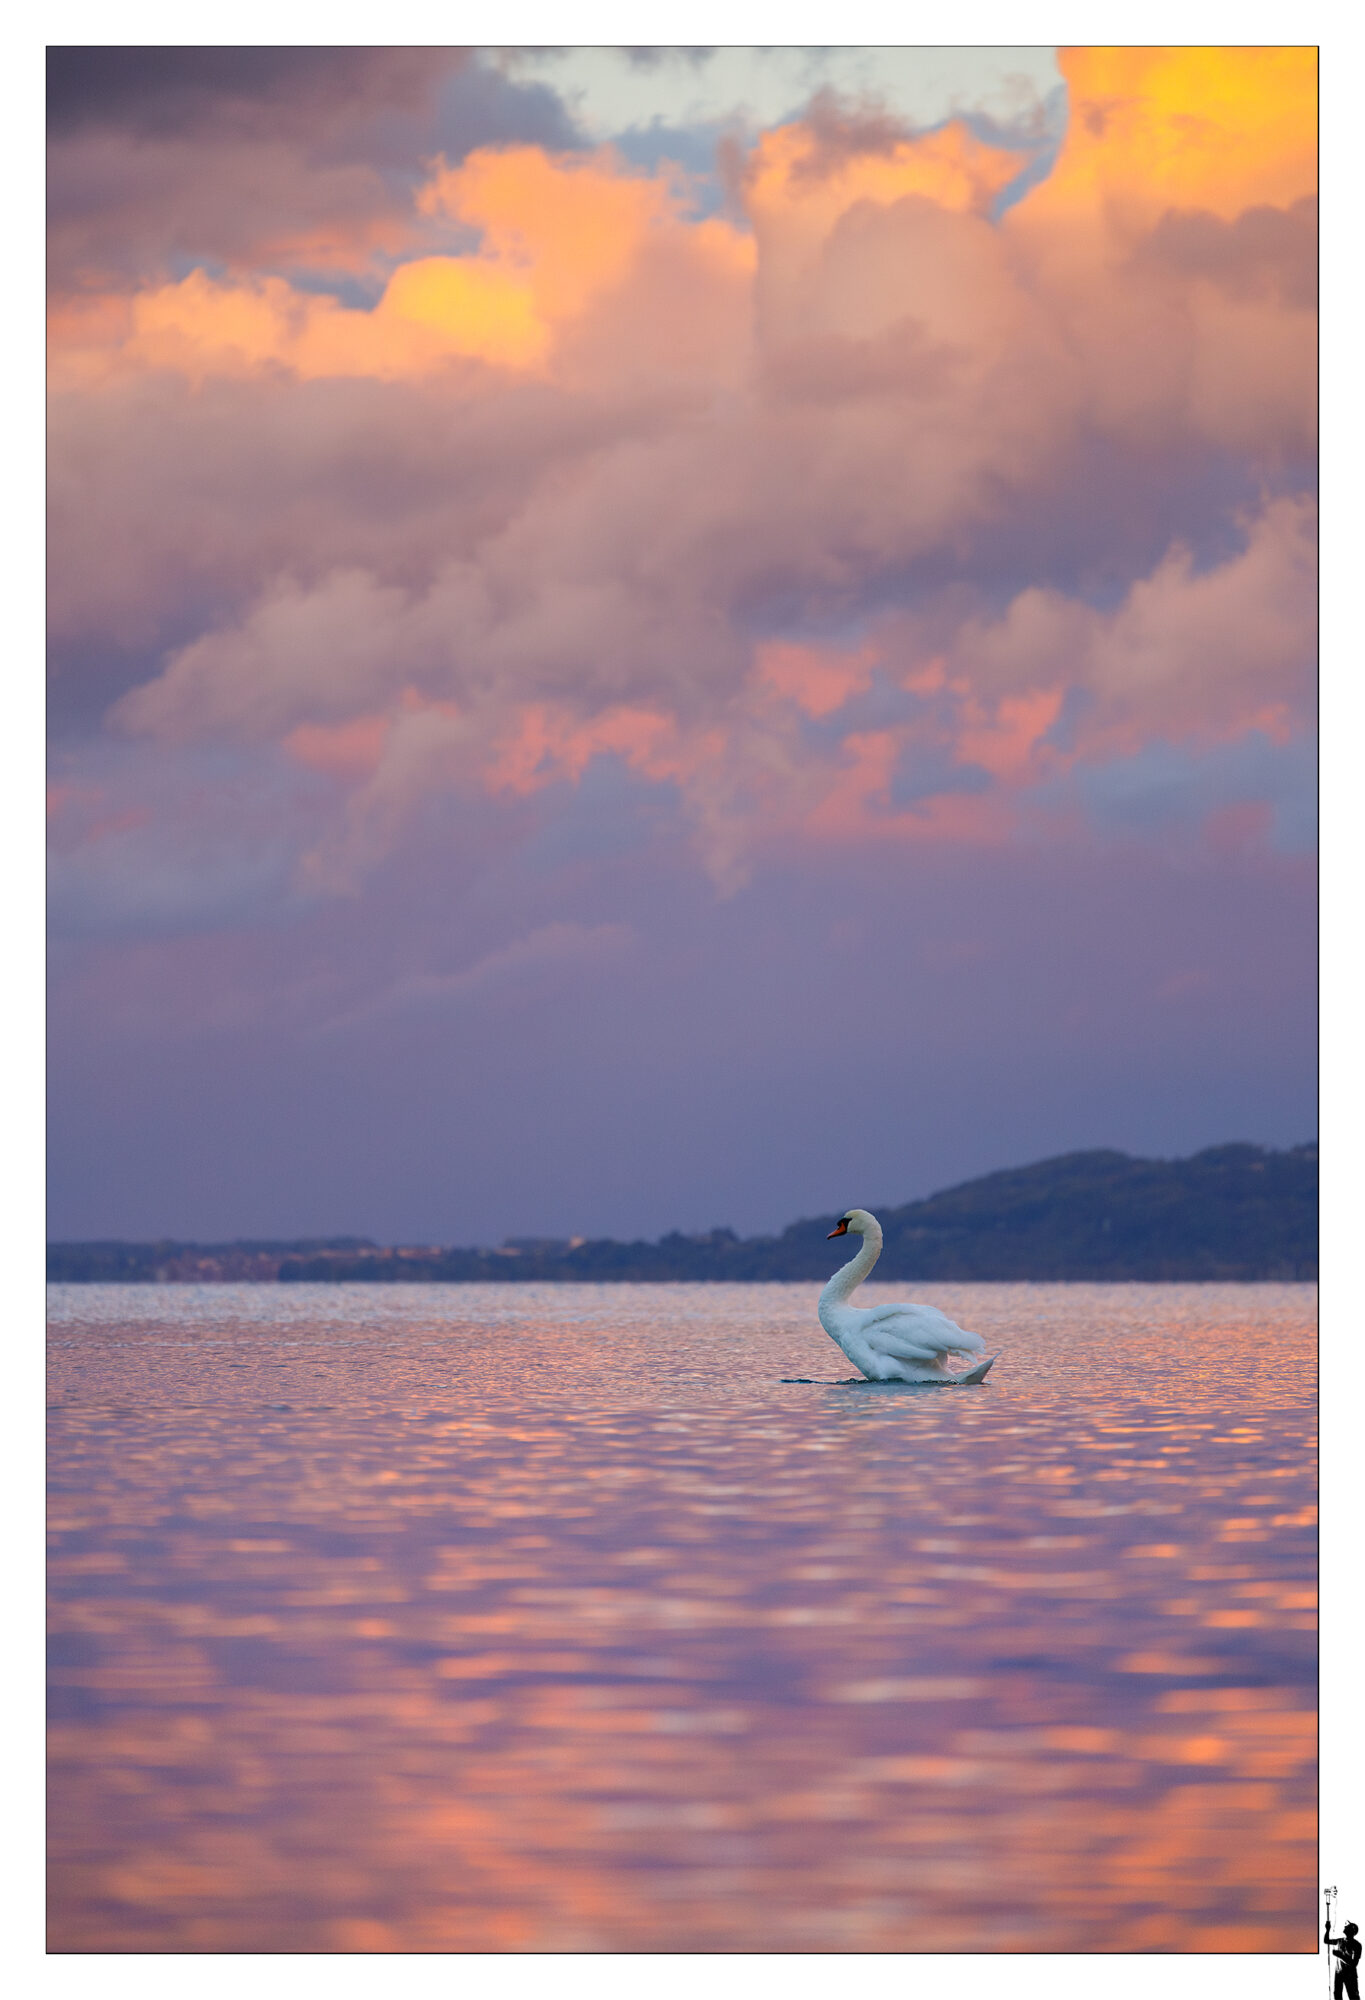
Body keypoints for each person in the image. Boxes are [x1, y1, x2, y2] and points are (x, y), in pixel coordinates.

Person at [1326, 1918, 1361, 2000]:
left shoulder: (1357, 1945)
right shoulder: (1339, 1941)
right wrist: (1327, 1929)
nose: (1344, 1927)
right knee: (1337, 1995)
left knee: (1353, 1996)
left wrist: (1339, 1955)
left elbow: (1354, 1963)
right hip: (1338, 1974)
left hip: (1350, 1975)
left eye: (1347, 1927)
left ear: (1351, 1931)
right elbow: (1326, 1940)